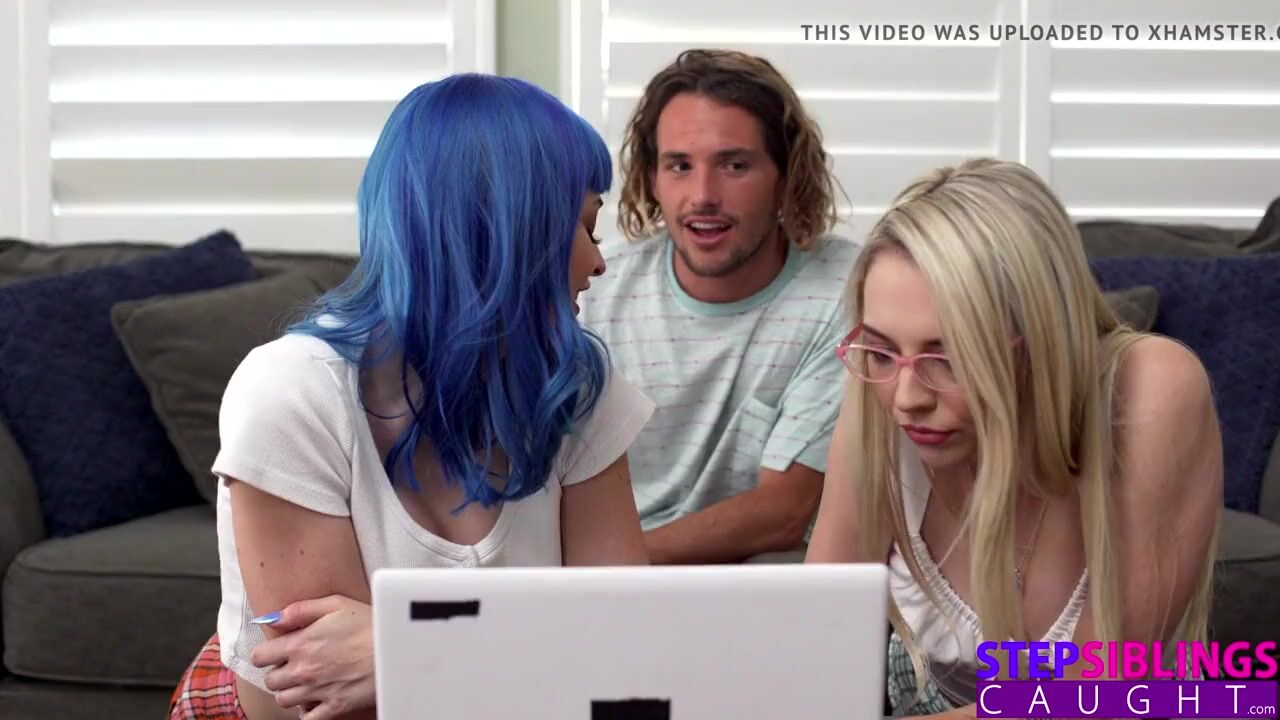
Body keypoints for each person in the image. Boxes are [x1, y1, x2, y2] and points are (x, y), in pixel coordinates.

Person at [167, 74, 655, 720]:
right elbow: (327, 701)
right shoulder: (291, 392)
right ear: (509, 230)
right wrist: (546, 648)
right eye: (585, 227)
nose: (597, 263)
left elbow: (628, 647)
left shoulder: (576, 387)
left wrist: (404, 650)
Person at [805, 158, 1222, 717]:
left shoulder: (1152, 387)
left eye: (950, 359)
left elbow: (1095, 697)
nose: (906, 398)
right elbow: (813, 650)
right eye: (881, 351)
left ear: (1044, 340)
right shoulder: (875, 400)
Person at [579, 49, 862, 564]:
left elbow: (783, 511)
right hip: (611, 583)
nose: (703, 195)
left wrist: (613, 565)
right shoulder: (594, 289)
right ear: (652, 178)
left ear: (786, 175)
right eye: (680, 166)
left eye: (734, 165)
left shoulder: (846, 290)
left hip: (760, 592)